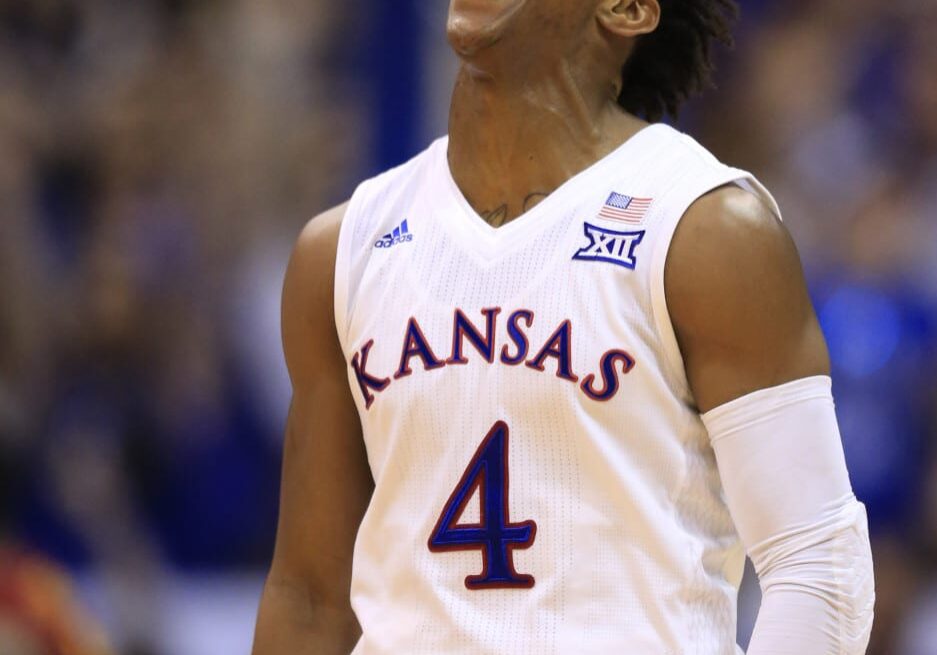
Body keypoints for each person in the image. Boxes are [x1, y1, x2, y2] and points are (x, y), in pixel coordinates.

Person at [252, 1, 875, 653]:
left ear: (626, 9)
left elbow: (818, 566)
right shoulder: (344, 249)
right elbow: (310, 596)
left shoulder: (701, 230)